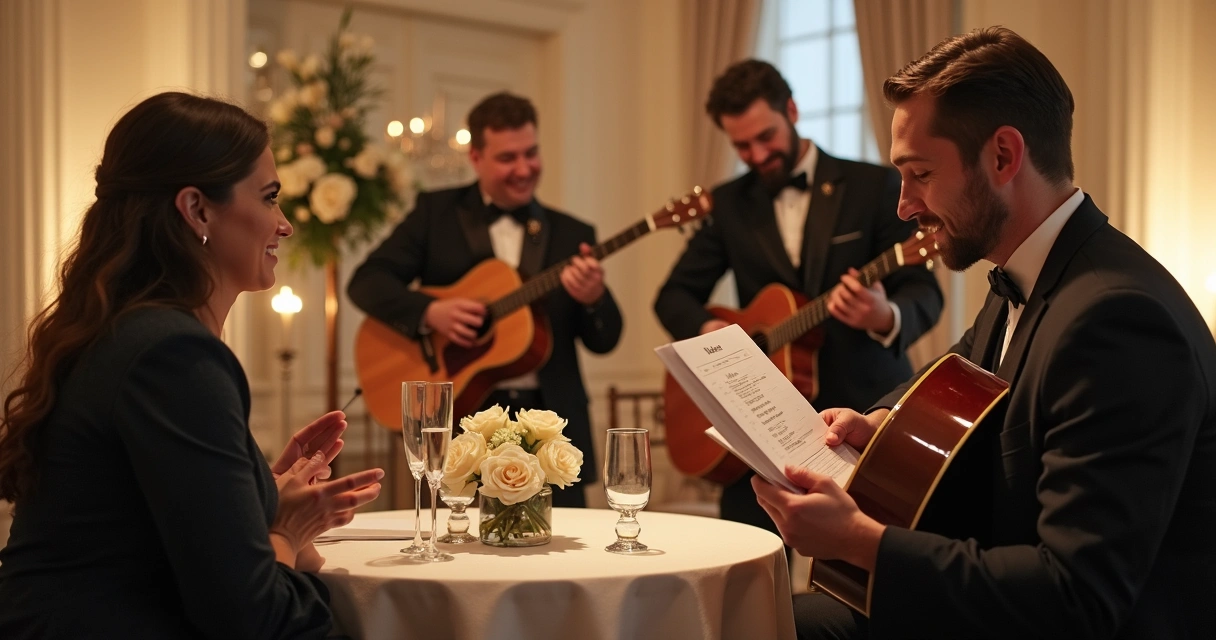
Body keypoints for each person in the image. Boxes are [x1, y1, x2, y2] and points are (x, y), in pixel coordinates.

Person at [752, 27, 1216, 639]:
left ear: (1003, 156)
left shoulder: (1118, 320)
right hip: (983, 599)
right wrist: (875, 428)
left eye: (919, 173)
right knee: (752, 619)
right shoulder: (1025, 278)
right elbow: (954, 378)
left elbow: (1078, 597)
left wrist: (863, 542)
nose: (904, 205)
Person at [0, 92, 385, 638]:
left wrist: (259, 488)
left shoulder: (130, 332)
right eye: (270, 198)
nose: (285, 225)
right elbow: (249, 619)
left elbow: (146, 524)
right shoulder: (171, 355)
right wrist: (284, 532)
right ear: (197, 209)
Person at [654, 59, 943, 534]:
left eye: (766, 136)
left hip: (861, 414)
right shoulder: (729, 204)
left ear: (791, 109)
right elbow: (673, 295)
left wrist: (881, 314)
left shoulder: (874, 186)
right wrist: (710, 330)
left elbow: (923, 293)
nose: (757, 154)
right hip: (761, 426)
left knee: (861, 576)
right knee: (748, 572)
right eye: (742, 145)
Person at [347, 92, 622, 508]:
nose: (524, 168)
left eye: (531, 153)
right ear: (475, 157)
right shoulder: (434, 213)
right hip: (462, 425)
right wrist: (430, 312)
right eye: (507, 158)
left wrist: (594, 297)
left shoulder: (571, 233)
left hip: (552, 427)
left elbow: (605, 339)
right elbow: (366, 281)